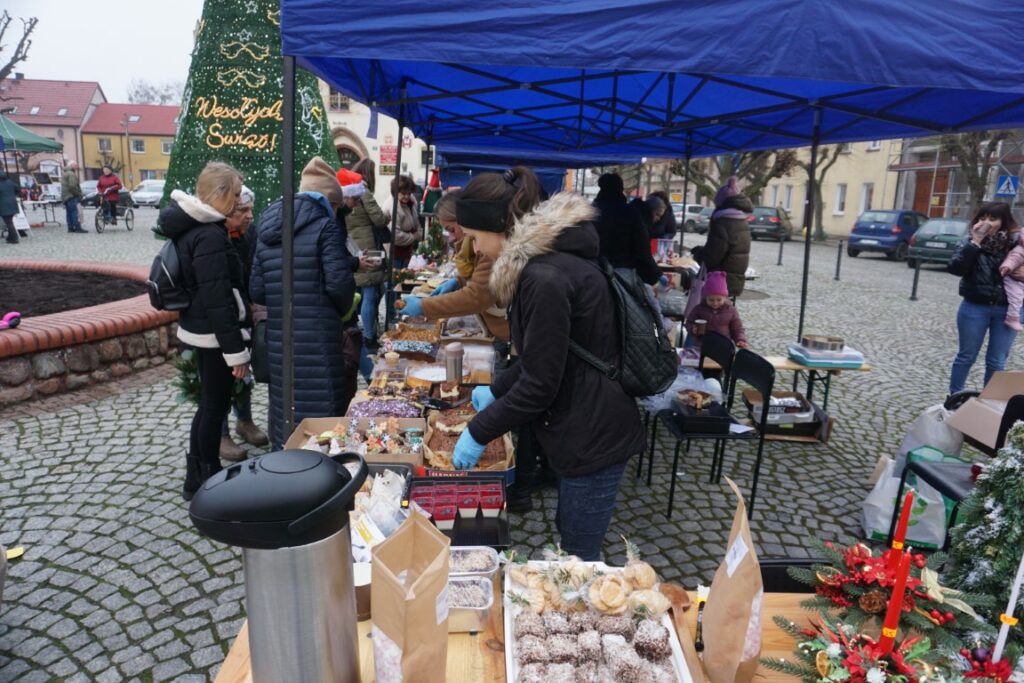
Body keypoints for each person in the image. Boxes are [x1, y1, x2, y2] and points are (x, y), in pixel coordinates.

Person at [451, 168, 644, 561]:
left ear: (498, 225)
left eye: (475, 237)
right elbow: (544, 356)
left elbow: (541, 383)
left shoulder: (545, 276)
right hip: (582, 424)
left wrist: (479, 430)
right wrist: (498, 389)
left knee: (578, 556)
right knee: (569, 533)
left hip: (594, 434)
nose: (475, 248)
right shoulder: (546, 265)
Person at [250, 157, 362, 448]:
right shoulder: (326, 228)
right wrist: (331, 311)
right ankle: (323, 478)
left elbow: (257, 289)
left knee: (285, 406)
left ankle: (285, 470)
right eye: (336, 206)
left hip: (280, 338)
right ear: (329, 200)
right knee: (324, 410)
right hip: (319, 336)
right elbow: (341, 287)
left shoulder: (267, 225)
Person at [157, 162, 250, 500]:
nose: (239, 202)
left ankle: (197, 475)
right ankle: (206, 478)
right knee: (214, 406)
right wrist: (235, 352)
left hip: (199, 328)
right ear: (221, 194)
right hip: (213, 334)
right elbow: (217, 298)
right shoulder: (208, 233)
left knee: (209, 404)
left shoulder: (195, 226)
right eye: (236, 194)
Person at [398, 191, 510, 342]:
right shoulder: (476, 247)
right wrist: (459, 282)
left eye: (451, 230)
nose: (451, 237)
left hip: (506, 332)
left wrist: (424, 306)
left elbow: (477, 296)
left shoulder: (489, 248)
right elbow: (479, 282)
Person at [948, 202, 1021, 394]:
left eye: (992, 218)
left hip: (1007, 309)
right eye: (983, 218)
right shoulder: (969, 241)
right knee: (966, 356)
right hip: (975, 306)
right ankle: (954, 399)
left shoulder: (1016, 243)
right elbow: (956, 268)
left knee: (997, 360)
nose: (986, 222)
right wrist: (975, 243)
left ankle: (989, 403)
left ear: (1003, 222)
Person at [218, 186, 269, 461]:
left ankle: (244, 420)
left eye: (251, 209)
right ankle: (221, 431)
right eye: (243, 211)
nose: (250, 216)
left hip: (244, 311)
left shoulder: (250, 233)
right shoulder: (213, 236)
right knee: (219, 376)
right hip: (218, 318)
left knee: (243, 371)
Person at [345, 159, 389, 379]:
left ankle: (366, 334)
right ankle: (369, 337)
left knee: (362, 293)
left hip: (353, 245)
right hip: (367, 247)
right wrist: (387, 216)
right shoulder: (364, 192)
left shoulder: (349, 197)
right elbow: (379, 219)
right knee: (370, 292)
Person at [592, 173, 663, 287]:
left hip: (595, 271)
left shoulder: (591, 212)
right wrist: (656, 276)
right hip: (623, 274)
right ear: (621, 189)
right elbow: (642, 247)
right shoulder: (630, 212)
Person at [692, 175, 752, 297]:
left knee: (712, 314)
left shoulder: (723, 222)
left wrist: (698, 253)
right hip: (732, 280)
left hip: (719, 281)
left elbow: (712, 256)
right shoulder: (741, 220)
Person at [684, 271, 748, 350]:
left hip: (723, 346)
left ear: (725, 297)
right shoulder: (699, 308)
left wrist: (740, 339)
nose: (715, 303)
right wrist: (692, 328)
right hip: (702, 345)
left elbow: (737, 328)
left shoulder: (731, 310)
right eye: (711, 300)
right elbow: (689, 322)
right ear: (705, 297)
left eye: (719, 300)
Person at [390, 174, 422, 268]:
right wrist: (414, 236)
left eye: (409, 193)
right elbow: (395, 235)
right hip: (396, 253)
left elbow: (416, 222)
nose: (407, 196)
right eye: (404, 193)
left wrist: (419, 232)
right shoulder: (393, 207)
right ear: (396, 192)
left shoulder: (411, 203)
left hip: (407, 251)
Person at [998, 231, 1024, 331]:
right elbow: (1013, 259)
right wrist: (1007, 267)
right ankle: (1012, 318)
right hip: (1014, 280)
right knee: (1016, 297)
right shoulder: (1020, 250)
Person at [61, 162, 85, 233]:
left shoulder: (65, 173)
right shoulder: (71, 174)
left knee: (69, 213)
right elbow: (72, 186)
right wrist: (78, 194)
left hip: (66, 196)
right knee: (75, 212)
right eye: (75, 165)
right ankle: (77, 227)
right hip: (71, 196)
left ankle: (70, 228)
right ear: (71, 166)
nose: (77, 167)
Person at [0, 170, 19, 245]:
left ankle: (14, 238)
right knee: (10, 221)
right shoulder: (11, 183)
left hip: (4, 205)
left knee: (8, 222)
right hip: (13, 203)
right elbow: (18, 190)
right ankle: (10, 237)